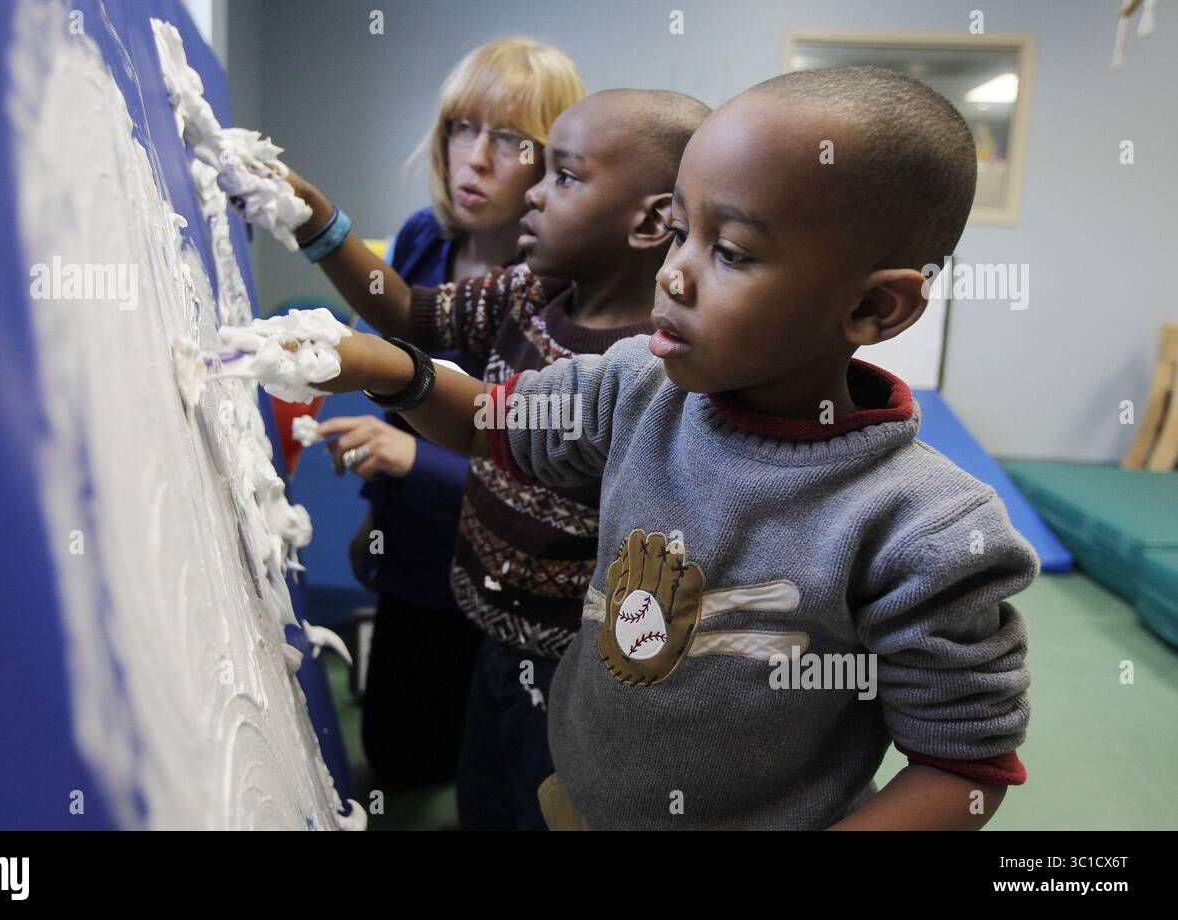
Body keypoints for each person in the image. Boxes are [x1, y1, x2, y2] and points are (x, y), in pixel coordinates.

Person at [316, 67, 1037, 830]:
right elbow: (494, 422)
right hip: (575, 799)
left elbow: (962, 768)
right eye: (679, 233)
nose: (673, 275)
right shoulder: (638, 386)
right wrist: (385, 369)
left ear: (872, 306)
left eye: (728, 251)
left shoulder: (924, 530)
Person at [316, 88, 710, 828]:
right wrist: (317, 223)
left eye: (562, 176)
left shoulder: (648, 371)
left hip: (577, 674)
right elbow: (409, 312)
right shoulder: (530, 293)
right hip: (493, 628)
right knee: (484, 795)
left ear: (652, 219)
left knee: (545, 806)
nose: (531, 191)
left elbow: (488, 425)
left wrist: (391, 373)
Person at [284, 38, 585, 786]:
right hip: (411, 552)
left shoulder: (558, 292)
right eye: (462, 126)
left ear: (556, 165)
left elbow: (555, 472)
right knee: (400, 756)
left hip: (508, 573)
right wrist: (377, 513)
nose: (476, 157)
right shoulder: (422, 238)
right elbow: (402, 340)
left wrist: (415, 460)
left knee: (497, 765)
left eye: (514, 139)